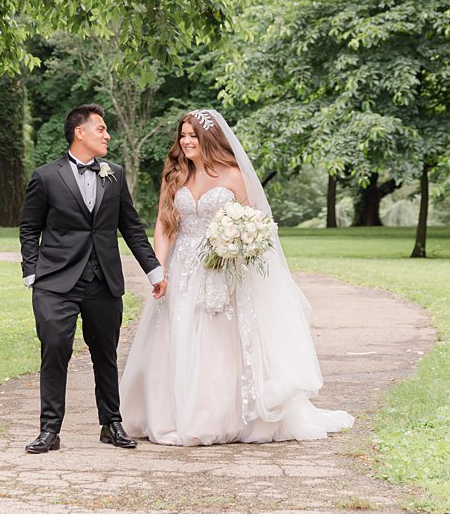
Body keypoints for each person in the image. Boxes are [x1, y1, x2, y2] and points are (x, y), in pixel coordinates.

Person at [119, 108, 354, 445]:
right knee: (174, 333)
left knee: (216, 341)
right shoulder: (174, 175)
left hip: (222, 268)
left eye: (192, 135)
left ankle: (213, 418)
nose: (186, 141)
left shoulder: (232, 176)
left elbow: (256, 224)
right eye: (182, 135)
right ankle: (168, 415)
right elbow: (163, 224)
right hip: (181, 269)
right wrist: (159, 267)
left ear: (209, 139)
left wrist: (237, 247)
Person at [18, 103, 166, 454]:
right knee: (55, 349)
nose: (107, 134)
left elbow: (131, 227)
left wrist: (154, 270)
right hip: (55, 282)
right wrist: (32, 272)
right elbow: (29, 228)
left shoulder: (114, 173)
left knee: (106, 353)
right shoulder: (46, 176)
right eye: (101, 128)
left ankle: (111, 424)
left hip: (103, 281)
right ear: (79, 132)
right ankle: (49, 430)